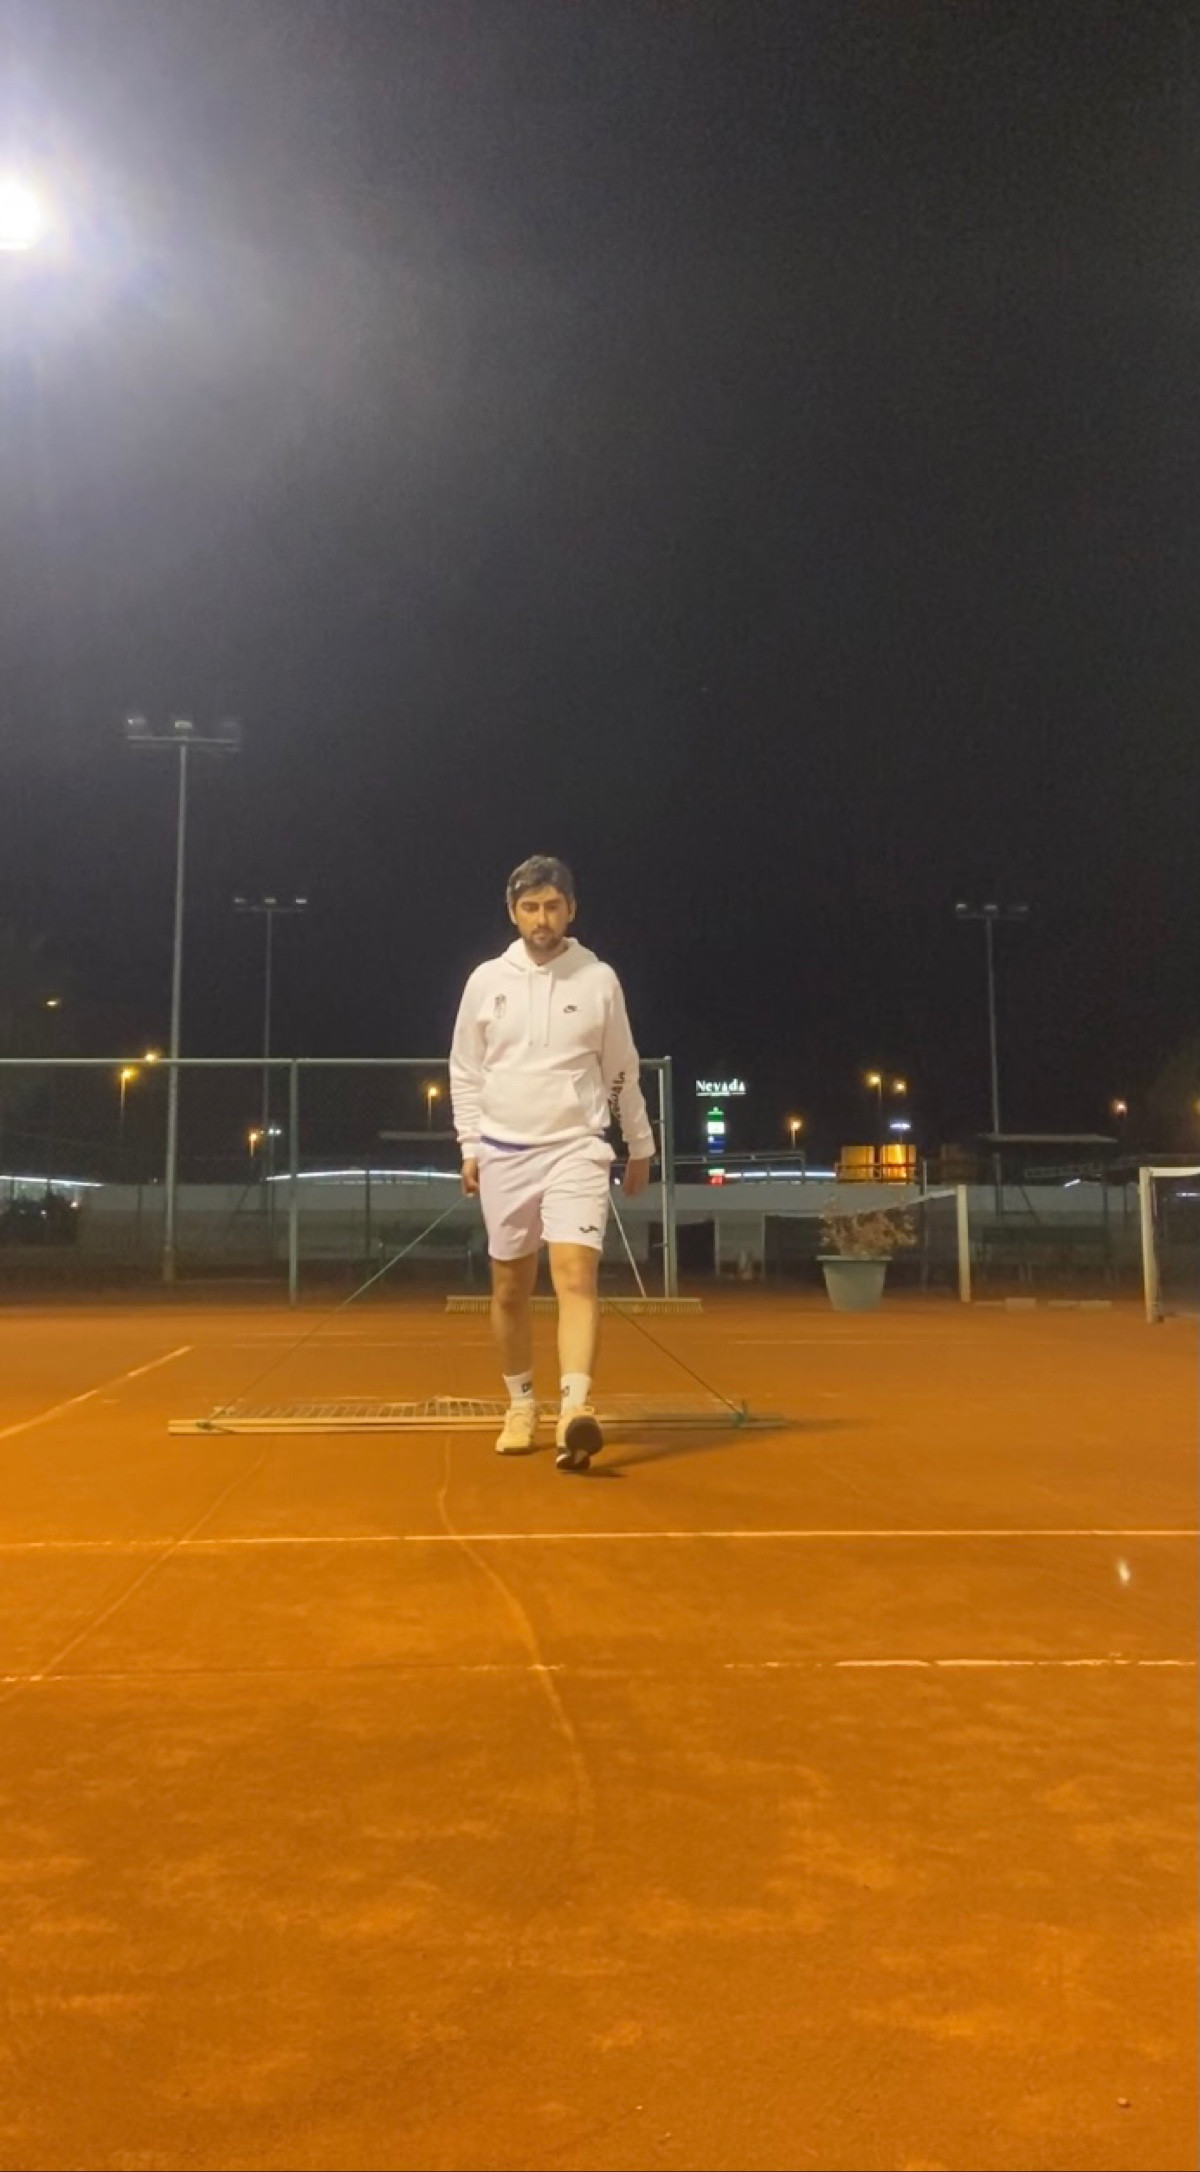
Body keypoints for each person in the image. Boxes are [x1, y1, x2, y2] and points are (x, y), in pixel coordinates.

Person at [449, 855, 654, 1471]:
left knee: (575, 1275)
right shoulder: (486, 981)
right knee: (510, 1287)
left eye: (553, 906)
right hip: (503, 1152)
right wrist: (470, 1146)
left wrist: (639, 1143)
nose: (542, 918)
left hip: (577, 1148)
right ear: (513, 912)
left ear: (571, 909)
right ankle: (521, 1405)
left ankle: (574, 1410)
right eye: (530, 907)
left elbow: (621, 1068)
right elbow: (466, 1070)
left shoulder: (599, 980)